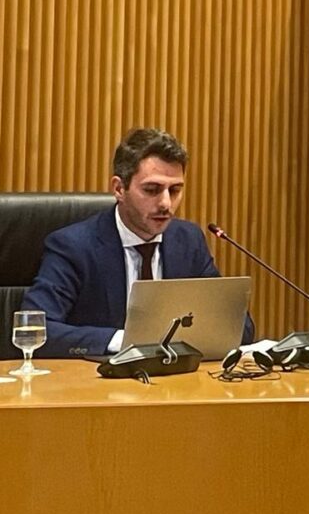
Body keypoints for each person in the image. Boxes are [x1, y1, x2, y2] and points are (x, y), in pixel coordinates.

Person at [23, 127, 255, 358]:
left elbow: (238, 327)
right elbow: (34, 331)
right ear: (119, 189)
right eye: (152, 190)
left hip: (174, 378)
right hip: (98, 377)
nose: (166, 203)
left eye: (175, 190)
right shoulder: (74, 246)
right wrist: (126, 340)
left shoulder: (188, 241)